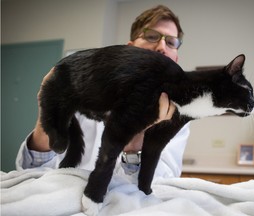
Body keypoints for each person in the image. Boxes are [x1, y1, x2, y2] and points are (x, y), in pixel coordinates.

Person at [16, 5, 191, 178]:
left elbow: (162, 184)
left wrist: (135, 144)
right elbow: (31, 172)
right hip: (69, 198)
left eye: (171, 42)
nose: (161, 47)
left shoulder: (178, 113)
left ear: (175, 58)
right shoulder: (82, 88)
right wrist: (47, 116)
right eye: (151, 36)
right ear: (129, 49)